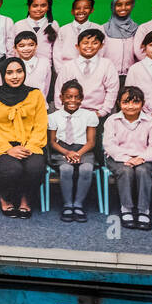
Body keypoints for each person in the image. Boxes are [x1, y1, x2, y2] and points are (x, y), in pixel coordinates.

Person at [0, 58, 48, 219]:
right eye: (9, 72)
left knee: (35, 168)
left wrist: (30, 147)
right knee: (13, 169)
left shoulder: (35, 94)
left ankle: (26, 200)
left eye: (19, 71)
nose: (15, 76)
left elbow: (40, 125)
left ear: (24, 72)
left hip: (30, 144)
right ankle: (5, 197)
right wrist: (8, 148)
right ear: (3, 74)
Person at [103, 85, 152, 231]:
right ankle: (127, 209)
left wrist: (141, 158)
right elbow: (109, 145)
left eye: (135, 102)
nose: (130, 106)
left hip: (144, 158)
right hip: (118, 158)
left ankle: (143, 210)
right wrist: (126, 158)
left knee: (142, 171)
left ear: (142, 103)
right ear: (119, 103)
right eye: (126, 102)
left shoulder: (150, 121)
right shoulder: (112, 120)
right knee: (126, 171)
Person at [48, 79, 98, 222]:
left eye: (77, 97)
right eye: (69, 96)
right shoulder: (53, 117)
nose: (73, 100)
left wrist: (78, 153)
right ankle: (68, 204)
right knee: (66, 170)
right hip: (62, 150)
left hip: (83, 150)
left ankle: (78, 204)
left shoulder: (89, 116)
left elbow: (91, 142)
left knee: (86, 169)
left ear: (82, 98)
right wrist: (67, 153)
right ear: (61, 97)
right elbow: (52, 142)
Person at [52, 28, 118, 118]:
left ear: (101, 46)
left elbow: (112, 90)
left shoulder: (107, 65)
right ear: (77, 46)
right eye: (85, 43)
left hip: (97, 114)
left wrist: (102, 112)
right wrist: (62, 113)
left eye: (95, 43)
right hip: (71, 114)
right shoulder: (68, 66)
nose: (89, 46)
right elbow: (59, 90)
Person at [100, 0, 139, 78]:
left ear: (132, 6)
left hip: (131, 76)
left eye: (128, 4)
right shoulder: (103, 29)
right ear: (113, 7)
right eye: (119, 5)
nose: (123, 8)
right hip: (107, 76)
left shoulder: (137, 29)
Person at [52, 0, 97, 69]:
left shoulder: (98, 29)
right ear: (72, 11)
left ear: (92, 10)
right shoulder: (63, 29)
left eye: (86, 8)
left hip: (91, 70)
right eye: (77, 8)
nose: (81, 11)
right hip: (67, 69)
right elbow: (57, 53)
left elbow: (101, 52)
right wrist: (61, 72)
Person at [15, 0, 58, 68]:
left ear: (48, 7)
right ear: (29, 7)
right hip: (22, 67)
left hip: (46, 67)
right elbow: (13, 49)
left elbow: (57, 49)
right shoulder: (19, 25)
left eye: (43, 5)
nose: (39, 9)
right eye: (35, 6)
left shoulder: (53, 24)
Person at [13, 31, 52, 103]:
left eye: (31, 45)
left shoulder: (44, 63)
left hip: (40, 106)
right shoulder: (12, 65)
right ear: (15, 48)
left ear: (36, 46)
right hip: (18, 106)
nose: (26, 49)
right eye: (21, 46)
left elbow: (47, 85)